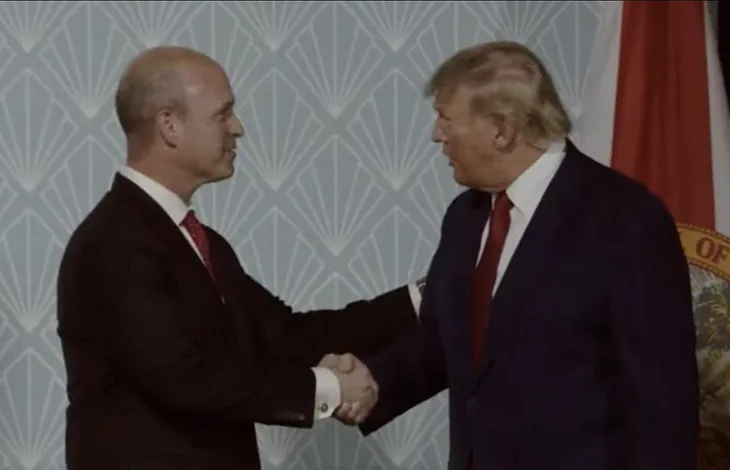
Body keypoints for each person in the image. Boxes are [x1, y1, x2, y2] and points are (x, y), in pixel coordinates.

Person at [330, 41, 700, 470]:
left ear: (502, 131)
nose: (437, 134)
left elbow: (662, 399)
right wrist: (370, 382)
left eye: (447, 118)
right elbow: (441, 346)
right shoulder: (466, 217)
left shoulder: (625, 220)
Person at [55, 46, 423, 470]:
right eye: (222, 114)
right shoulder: (115, 241)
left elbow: (286, 336)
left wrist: (424, 297)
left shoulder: (198, 241)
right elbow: (185, 378)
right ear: (169, 126)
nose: (239, 128)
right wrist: (331, 390)